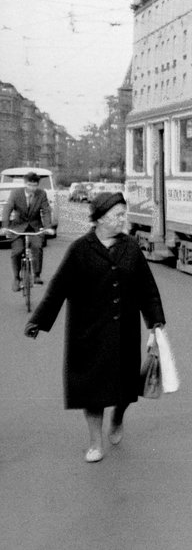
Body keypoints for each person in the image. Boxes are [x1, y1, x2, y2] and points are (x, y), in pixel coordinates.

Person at [24, 193, 166, 464]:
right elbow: (58, 288)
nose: (124, 219)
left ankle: (118, 417)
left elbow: (147, 289)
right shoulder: (80, 249)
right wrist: (38, 322)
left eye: (125, 214)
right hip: (88, 333)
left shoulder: (131, 248)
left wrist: (155, 324)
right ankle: (95, 443)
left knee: (125, 388)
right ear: (100, 218)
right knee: (92, 391)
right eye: (117, 215)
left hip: (124, 331)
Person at [3, 171, 55, 291]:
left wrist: (48, 227)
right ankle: (16, 278)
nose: (32, 188)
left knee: (37, 247)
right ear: (25, 184)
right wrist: (5, 227)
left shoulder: (41, 194)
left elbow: (46, 210)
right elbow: (7, 209)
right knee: (17, 251)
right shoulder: (16, 194)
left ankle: (36, 275)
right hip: (18, 227)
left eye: (35, 185)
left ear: (38, 185)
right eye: (30, 185)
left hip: (35, 227)